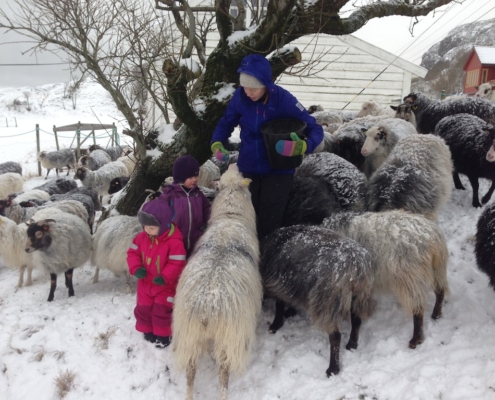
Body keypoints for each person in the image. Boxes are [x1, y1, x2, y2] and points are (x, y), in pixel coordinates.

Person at [210, 53, 324, 240]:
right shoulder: (240, 98)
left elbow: (314, 127)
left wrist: (303, 146)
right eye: (245, 87)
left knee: (269, 223)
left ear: (265, 84)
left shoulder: (283, 100)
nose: (248, 93)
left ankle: (267, 262)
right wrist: (217, 143)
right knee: (247, 219)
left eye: (253, 88)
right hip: (248, 169)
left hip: (278, 171)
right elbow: (225, 123)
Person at [127, 198, 187, 348]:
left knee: (162, 309)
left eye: (152, 228)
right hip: (145, 282)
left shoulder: (174, 242)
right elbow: (132, 253)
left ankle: (163, 335)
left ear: (165, 224)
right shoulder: (141, 238)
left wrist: (166, 276)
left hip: (165, 284)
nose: (148, 230)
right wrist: (136, 267)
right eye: (145, 226)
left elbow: (177, 262)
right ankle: (147, 330)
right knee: (143, 307)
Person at [159, 155, 211, 258]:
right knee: (176, 268)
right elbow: (160, 215)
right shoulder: (170, 195)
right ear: (181, 178)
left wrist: (210, 222)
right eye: (191, 177)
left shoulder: (198, 194)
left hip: (195, 241)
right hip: (175, 242)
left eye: (196, 176)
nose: (195, 180)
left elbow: (207, 210)